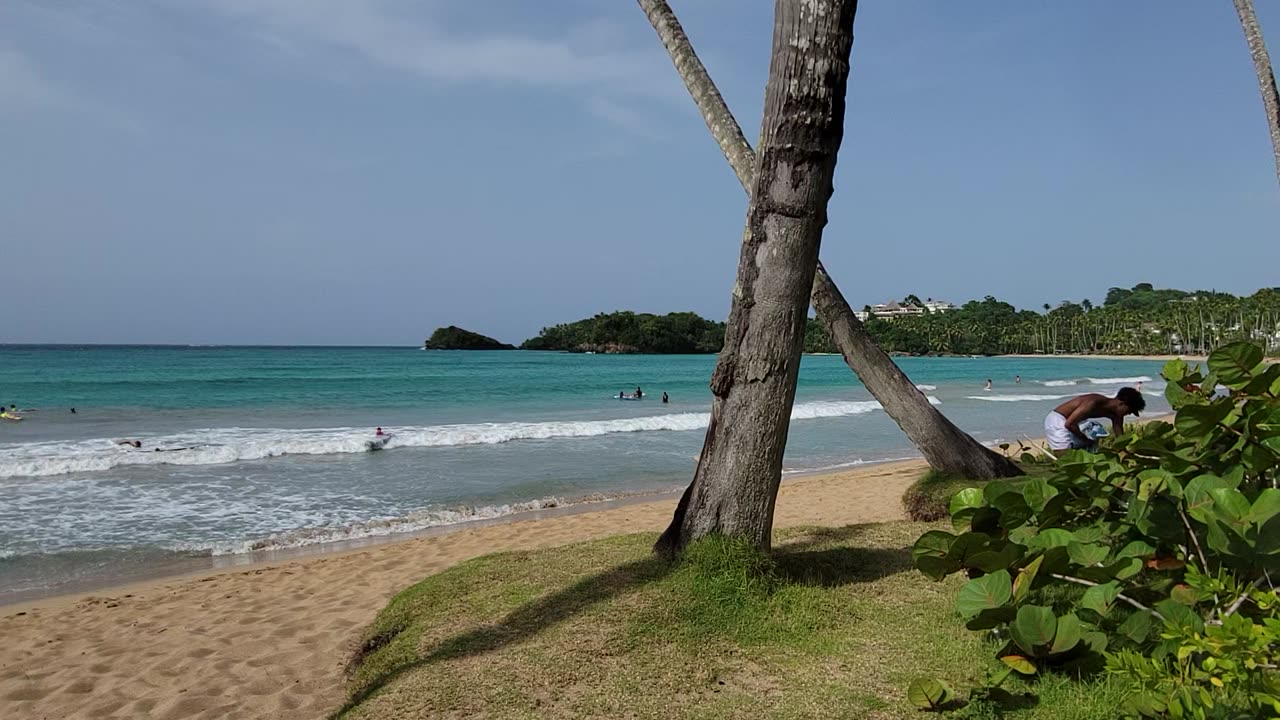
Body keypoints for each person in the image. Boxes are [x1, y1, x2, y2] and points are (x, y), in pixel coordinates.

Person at [1044, 387, 1146, 456]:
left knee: (1084, 449)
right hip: (1058, 419)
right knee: (1063, 454)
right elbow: (1070, 424)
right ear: (1121, 404)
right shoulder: (1093, 402)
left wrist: (1124, 452)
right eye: (1129, 411)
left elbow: (1120, 435)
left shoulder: (1116, 414)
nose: (1129, 414)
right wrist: (1085, 439)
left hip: (1076, 422)